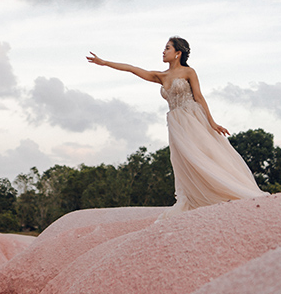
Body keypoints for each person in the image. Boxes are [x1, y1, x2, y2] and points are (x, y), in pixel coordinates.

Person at [87, 36, 268, 215]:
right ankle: (200, 197)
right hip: (175, 123)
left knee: (205, 154)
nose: (163, 51)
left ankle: (236, 191)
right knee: (185, 161)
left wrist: (212, 122)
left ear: (178, 53)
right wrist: (104, 62)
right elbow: (132, 69)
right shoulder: (160, 76)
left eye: (167, 48)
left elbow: (199, 97)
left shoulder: (189, 72)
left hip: (192, 117)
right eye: (164, 48)